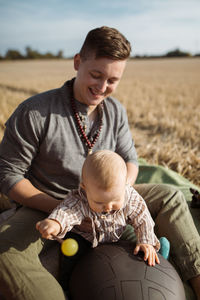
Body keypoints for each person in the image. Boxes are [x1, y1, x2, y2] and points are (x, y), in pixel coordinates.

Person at [0, 26, 199, 300]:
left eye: (113, 80)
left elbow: (130, 160)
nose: (103, 87)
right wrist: (68, 210)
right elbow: (9, 176)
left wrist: (120, 195)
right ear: (78, 62)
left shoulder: (115, 112)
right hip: (49, 204)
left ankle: (197, 277)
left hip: (110, 199)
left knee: (170, 196)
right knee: (5, 250)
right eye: (96, 75)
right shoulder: (35, 112)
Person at [36, 150, 160, 292]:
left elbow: (142, 218)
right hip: (84, 238)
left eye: (115, 200)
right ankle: (67, 287)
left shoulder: (130, 196)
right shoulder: (80, 200)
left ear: (125, 184)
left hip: (115, 236)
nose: (108, 207)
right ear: (85, 189)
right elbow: (67, 212)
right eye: (99, 202)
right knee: (71, 260)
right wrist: (55, 223)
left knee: (137, 248)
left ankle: (158, 253)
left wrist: (145, 240)